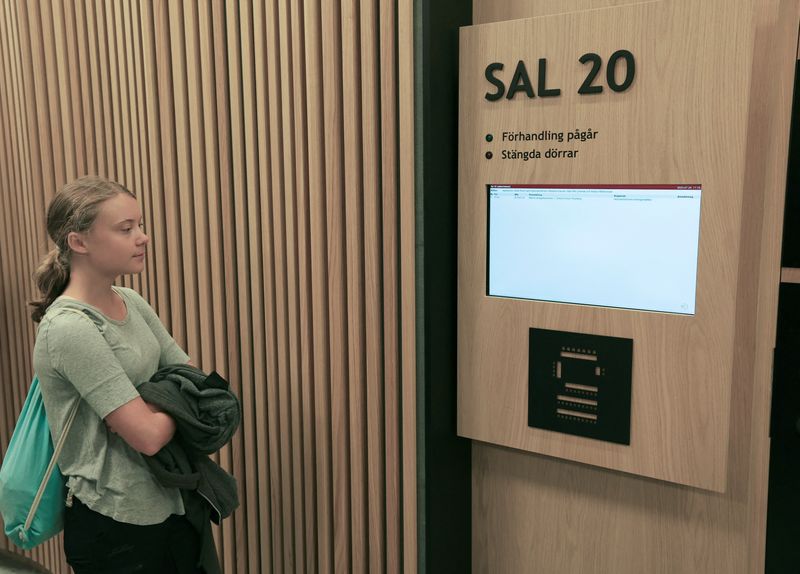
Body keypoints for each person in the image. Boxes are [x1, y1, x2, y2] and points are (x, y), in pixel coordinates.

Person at [30, 176, 203, 573]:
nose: (143, 237)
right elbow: (146, 436)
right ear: (79, 242)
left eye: (140, 225)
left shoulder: (130, 300)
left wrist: (156, 407)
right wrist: (171, 404)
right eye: (126, 229)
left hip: (171, 499)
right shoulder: (69, 328)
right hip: (116, 523)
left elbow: (191, 378)